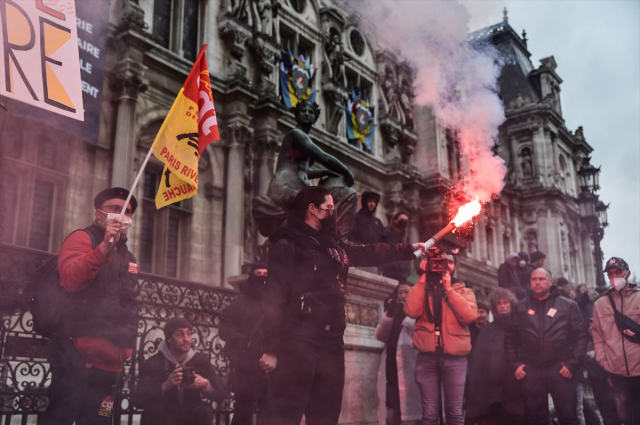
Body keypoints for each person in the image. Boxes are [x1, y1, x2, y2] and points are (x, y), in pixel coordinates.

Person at [260, 186, 424, 425]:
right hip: (298, 340)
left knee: (326, 413)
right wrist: (271, 349)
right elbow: (274, 297)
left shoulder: (335, 247)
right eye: (329, 208)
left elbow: (371, 252)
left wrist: (409, 249)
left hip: (332, 340)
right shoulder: (287, 245)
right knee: (287, 412)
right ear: (313, 210)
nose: (334, 214)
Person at [40, 188, 139, 425]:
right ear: (99, 213)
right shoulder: (82, 238)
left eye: (128, 212)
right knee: (61, 417)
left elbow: (129, 302)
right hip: (77, 352)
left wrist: (128, 341)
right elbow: (71, 280)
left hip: (111, 363)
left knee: (101, 420)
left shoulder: (130, 258)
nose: (122, 215)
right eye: (115, 209)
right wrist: (103, 246)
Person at [253, 100, 357, 238]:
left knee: (347, 195)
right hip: (283, 188)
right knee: (316, 209)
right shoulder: (296, 135)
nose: (307, 114)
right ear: (296, 115)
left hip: (297, 190)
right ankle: (332, 238)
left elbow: (303, 172)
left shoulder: (304, 139)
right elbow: (323, 157)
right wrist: (346, 172)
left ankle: (336, 238)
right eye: (304, 111)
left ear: (315, 118)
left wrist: (326, 172)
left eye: (311, 112)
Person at [505, 268, 588, 425]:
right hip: (531, 371)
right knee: (536, 419)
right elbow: (510, 338)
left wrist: (572, 364)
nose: (537, 282)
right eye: (533, 279)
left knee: (568, 418)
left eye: (542, 279)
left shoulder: (568, 306)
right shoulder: (520, 307)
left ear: (550, 282)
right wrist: (515, 365)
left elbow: (581, 337)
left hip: (560, 369)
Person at [404, 253, 478, 425]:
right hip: (427, 358)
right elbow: (411, 311)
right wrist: (421, 279)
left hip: (455, 359)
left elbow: (469, 317)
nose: (444, 265)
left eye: (449, 262)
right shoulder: (423, 290)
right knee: (429, 415)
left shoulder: (465, 292)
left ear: (455, 267)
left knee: (454, 414)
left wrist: (449, 291)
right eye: (439, 262)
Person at [132, 318, 226, 425]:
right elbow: (137, 400)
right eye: (180, 334)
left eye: (189, 333)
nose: (186, 339)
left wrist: (206, 384)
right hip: (164, 418)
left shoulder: (200, 361)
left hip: (190, 418)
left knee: (203, 411)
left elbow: (223, 394)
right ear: (169, 339)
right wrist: (164, 386)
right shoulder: (154, 363)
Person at [465, 288, 525, 425]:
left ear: (511, 304)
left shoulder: (519, 327)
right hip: (490, 386)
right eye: (499, 303)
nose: (503, 306)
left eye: (506, 302)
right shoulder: (487, 329)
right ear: (494, 306)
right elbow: (478, 360)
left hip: (513, 384)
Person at [219, 263, 269, 425]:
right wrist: (243, 341)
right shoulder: (240, 302)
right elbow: (224, 330)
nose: (262, 278)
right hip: (245, 366)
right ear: (252, 277)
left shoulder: (276, 303)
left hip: (269, 366)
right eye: (258, 274)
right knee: (243, 412)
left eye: (265, 275)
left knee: (268, 412)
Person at [592, 257, 640, 425]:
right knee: (624, 418)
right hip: (616, 373)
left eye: (618, 272)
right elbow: (597, 336)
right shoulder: (600, 304)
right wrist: (602, 359)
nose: (614, 277)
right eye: (610, 274)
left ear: (628, 274)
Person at [375, 281, 421, 425]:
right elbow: (380, 335)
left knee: (418, 411)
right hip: (393, 371)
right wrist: (390, 312)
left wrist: (408, 311)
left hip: (411, 370)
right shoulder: (394, 312)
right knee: (392, 413)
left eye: (406, 292)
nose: (402, 296)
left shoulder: (419, 312)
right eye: (400, 292)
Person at [584, 319, 619, 425]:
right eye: (589, 326)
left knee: (610, 413)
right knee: (605, 413)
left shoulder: (609, 342)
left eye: (593, 326)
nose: (590, 328)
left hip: (608, 381)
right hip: (596, 383)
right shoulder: (587, 343)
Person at [380, 211, 414, 282]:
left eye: (406, 221)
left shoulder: (404, 237)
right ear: (395, 220)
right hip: (390, 272)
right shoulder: (387, 232)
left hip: (402, 273)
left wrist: (406, 268)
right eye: (401, 220)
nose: (404, 222)